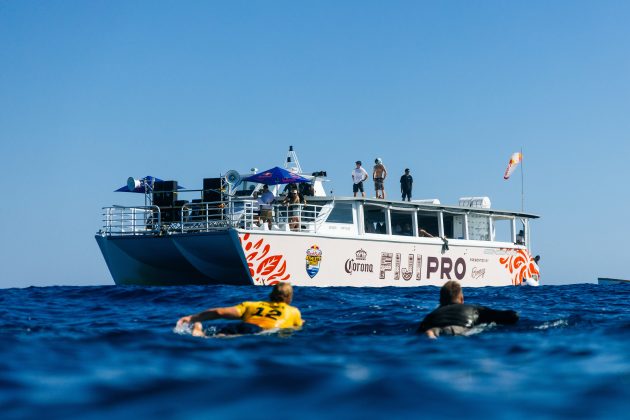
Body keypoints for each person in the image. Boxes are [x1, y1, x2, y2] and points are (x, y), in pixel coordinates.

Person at [176, 282, 304, 337]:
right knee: (222, 338)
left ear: (272, 294)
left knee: (221, 333)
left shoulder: (251, 305)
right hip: (257, 331)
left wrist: (192, 318)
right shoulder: (293, 312)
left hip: (241, 324)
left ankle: (197, 326)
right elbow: (297, 326)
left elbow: (219, 312)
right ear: (289, 297)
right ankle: (199, 332)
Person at [418, 280, 519, 338]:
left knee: (433, 331)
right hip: (459, 329)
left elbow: (418, 332)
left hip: (434, 327)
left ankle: (431, 334)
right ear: (461, 299)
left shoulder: (431, 315)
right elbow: (511, 316)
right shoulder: (474, 310)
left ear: (440, 300)